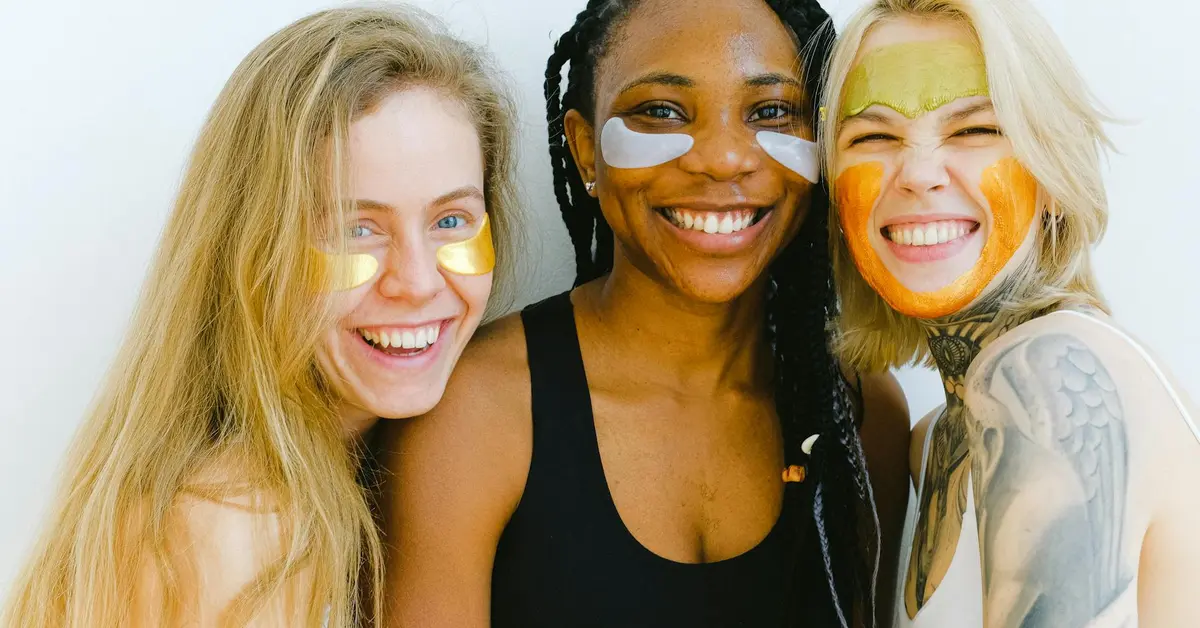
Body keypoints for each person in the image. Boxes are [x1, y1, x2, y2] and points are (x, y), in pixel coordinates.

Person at [382, 1, 911, 626]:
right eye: (661, 112)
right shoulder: (476, 412)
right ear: (583, 151)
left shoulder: (861, 411)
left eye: (771, 111)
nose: (722, 157)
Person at [2, 6, 520, 627]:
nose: (416, 281)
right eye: (356, 229)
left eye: (450, 221)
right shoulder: (235, 529)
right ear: (250, 251)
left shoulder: (355, 473)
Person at [820, 0, 1200, 625]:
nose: (916, 173)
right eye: (874, 137)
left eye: (975, 130)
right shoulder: (934, 441)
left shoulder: (1048, 375)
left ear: (1051, 171)